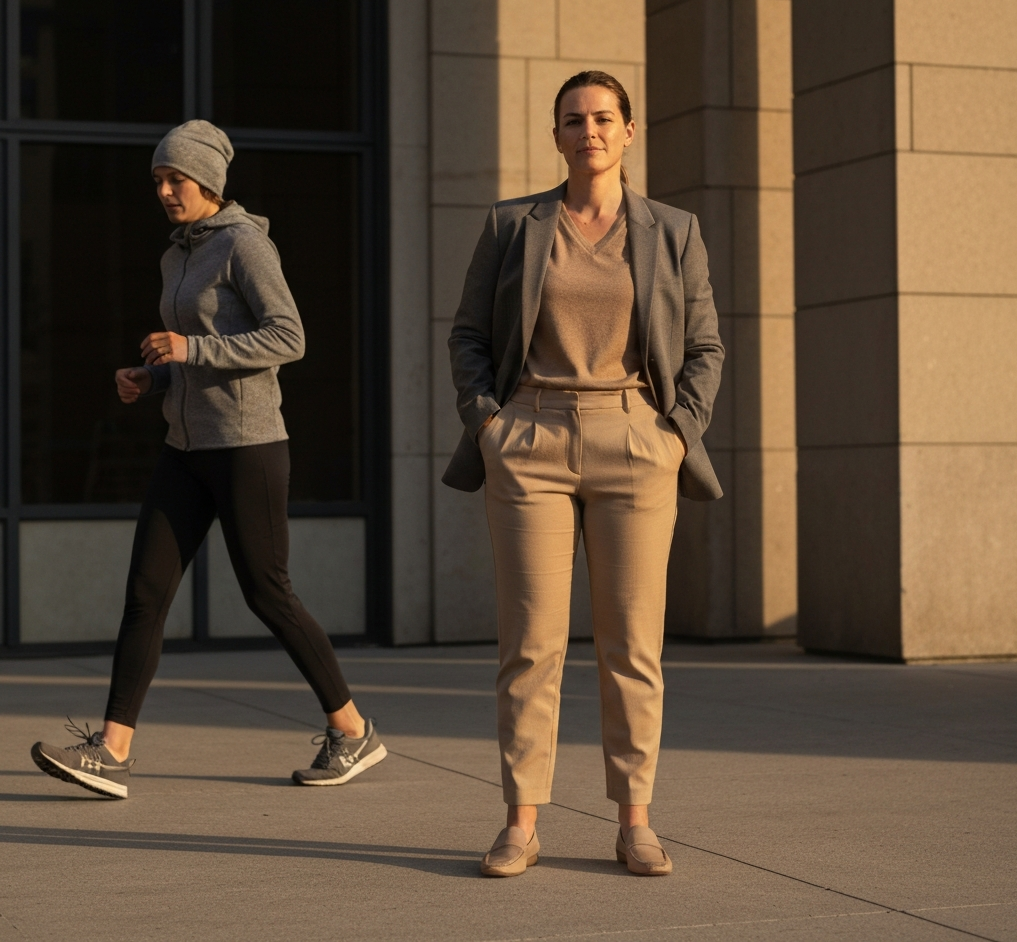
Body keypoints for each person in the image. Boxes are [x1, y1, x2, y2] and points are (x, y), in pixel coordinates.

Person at [31, 120, 386, 798]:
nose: (165, 191)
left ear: (210, 182)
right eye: (158, 180)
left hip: (248, 446)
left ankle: (352, 729)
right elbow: (191, 348)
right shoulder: (176, 255)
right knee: (146, 594)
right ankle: (111, 750)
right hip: (183, 448)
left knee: (268, 594)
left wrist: (190, 351)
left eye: (176, 179)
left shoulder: (245, 245)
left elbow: (289, 336)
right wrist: (155, 377)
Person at [446, 71, 724, 876]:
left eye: (604, 118)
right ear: (557, 135)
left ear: (629, 132)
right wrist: (489, 423)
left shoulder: (673, 230)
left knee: (632, 644)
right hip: (528, 436)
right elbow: (468, 334)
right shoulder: (513, 226)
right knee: (530, 643)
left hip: (635, 439)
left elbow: (704, 348)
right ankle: (520, 822)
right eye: (574, 120)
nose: (589, 131)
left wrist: (675, 435)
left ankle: (635, 820)